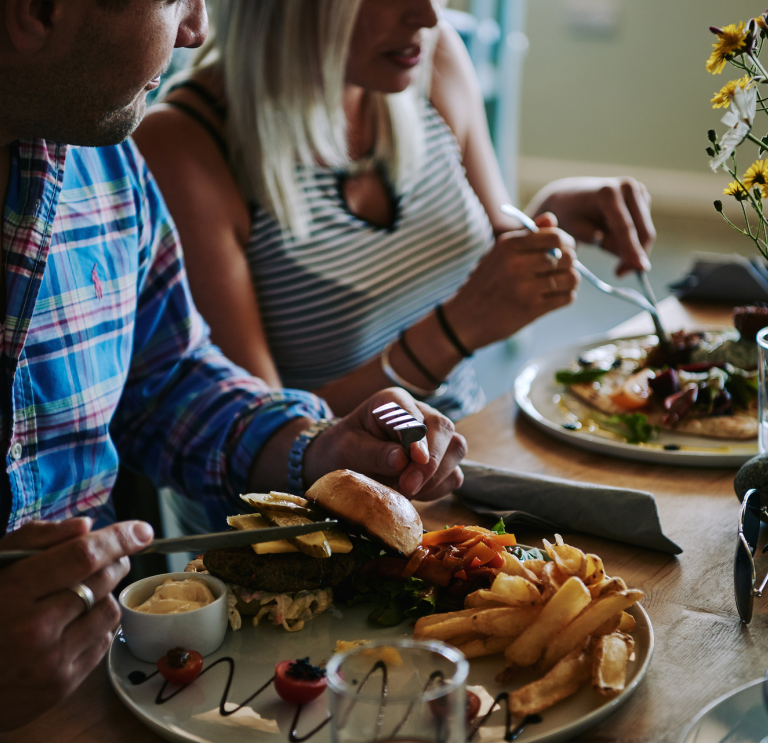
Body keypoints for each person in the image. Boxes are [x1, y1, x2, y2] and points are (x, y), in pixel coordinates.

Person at [0, 0, 466, 731]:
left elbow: (170, 382)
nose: (197, 29)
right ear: (39, 12)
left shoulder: (104, 157)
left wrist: (320, 448)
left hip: (116, 687)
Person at [133, 0, 657, 424]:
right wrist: (451, 335)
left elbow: (484, 251)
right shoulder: (185, 144)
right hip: (314, 525)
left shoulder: (431, 58)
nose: (428, 15)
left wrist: (548, 217)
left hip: (456, 457)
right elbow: (260, 435)